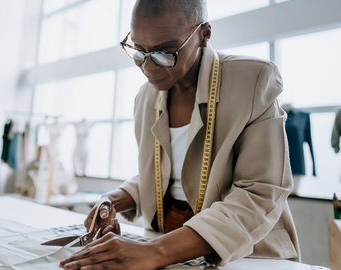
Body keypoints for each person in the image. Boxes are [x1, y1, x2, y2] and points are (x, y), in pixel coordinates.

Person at [60, 0, 299, 269]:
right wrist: (112, 200)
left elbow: (258, 193)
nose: (148, 69)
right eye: (138, 51)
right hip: (169, 241)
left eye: (166, 52)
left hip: (247, 254)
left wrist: (156, 252)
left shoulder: (253, 81)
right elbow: (160, 176)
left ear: (204, 34)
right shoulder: (145, 97)